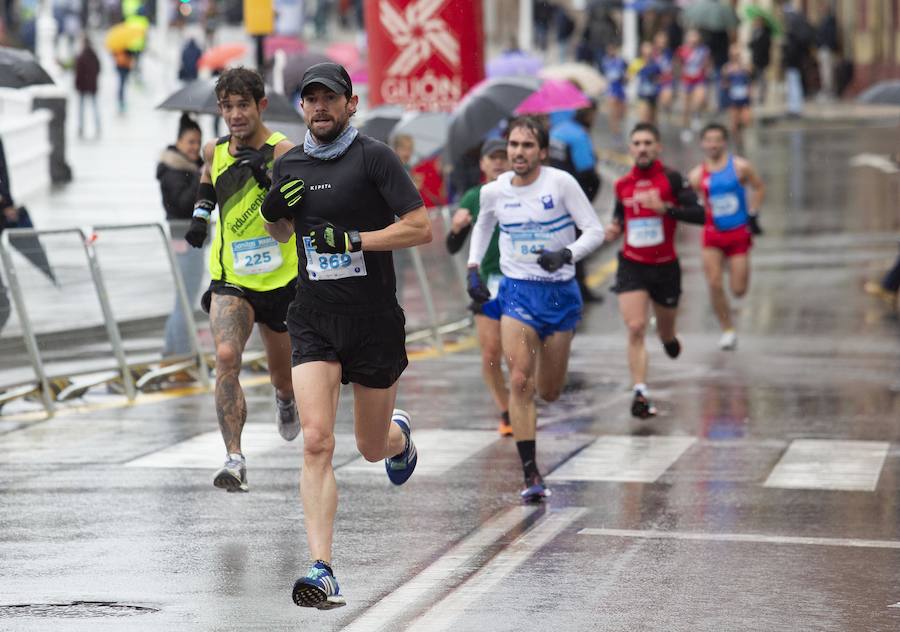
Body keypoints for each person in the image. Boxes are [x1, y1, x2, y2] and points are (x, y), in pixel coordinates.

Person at [259, 62, 431, 609]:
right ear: (302, 109)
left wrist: (355, 240)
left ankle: (398, 439)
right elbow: (282, 230)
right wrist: (272, 214)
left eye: (329, 98)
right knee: (316, 440)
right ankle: (322, 567)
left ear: (350, 104)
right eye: (310, 100)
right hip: (313, 315)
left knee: (370, 446)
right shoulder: (291, 163)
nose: (320, 108)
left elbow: (419, 226)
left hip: (373, 320)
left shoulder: (374, 157)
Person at [467, 116, 605, 502]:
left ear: (542, 152)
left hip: (560, 294)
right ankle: (530, 473)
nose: (518, 152)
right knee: (521, 381)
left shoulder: (561, 184)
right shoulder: (495, 191)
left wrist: (566, 253)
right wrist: (473, 268)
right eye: (513, 145)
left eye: (527, 146)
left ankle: (538, 419)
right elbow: (483, 225)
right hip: (518, 293)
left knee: (550, 390)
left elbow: (594, 230)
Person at [183, 67, 300, 491]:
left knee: (282, 375)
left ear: (260, 106)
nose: (235, 114)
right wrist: (199, 217)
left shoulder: (284, 152)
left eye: (243, 105)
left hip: (281, 280)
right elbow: (206, 185)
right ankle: (234, 459)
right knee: (227, 356)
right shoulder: (214, 151)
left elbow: (293, 217)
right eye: (227, 106)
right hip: (232, 278)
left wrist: (267, 180)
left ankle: (285, 400)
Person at [605, 123, 705, 418]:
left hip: (665, 268)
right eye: (637, 143)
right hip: (632, 265)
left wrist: (667, 209)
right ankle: (640, 392)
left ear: (658, 147)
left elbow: (700, 215)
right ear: (630, 149)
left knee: (664, 330)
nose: (642, 148)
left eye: (648, 142)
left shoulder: (673, 179)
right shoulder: (622, 185)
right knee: (635, 327)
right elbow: (620, 216)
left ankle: (669, 338)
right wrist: (614, 228)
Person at [446, 138, 512, 436]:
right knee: (490, 352)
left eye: (503, 157)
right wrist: (457, 228)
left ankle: (524, 395)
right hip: (487, 284)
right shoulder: (475, 196)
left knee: (521, 352)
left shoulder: (523, 192)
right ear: (483, 164)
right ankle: (507, 410)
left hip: (523, 281)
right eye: (492, 158)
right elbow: (452, 246)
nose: (498, 162)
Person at [688, 123, 765, 351]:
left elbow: (759, 187)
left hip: (738, 233)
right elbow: (688, 200)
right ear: (702, 143)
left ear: (724, 142)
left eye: (717, 140)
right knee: (713, 283)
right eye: (708, 140)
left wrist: (753, 213)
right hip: (712, 235)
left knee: (738, 290)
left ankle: (734, 278)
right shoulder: (696, 175)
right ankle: (727, 330)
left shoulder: (740, 167)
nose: (712, 144)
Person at [157, 113, 204, 370]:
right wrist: (200, 177)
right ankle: (180, 357)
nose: (194, 148)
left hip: (189, 240)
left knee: (184, 297)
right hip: (183, 241)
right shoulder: (174, 169)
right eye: (190, 142)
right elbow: (182, 204)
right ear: (178, 141)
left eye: (198, 142)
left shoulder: (185, 167)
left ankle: (172, 354)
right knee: (184, 300)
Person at [549, 102, 604, 303]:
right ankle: (580, 289)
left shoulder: (557, 130)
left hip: (552, 195)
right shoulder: (579, 135)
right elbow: (587, 170)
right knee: (578, 243)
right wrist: (586, 203)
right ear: (589, 115)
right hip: (572, 195)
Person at [675, 29, 711, 142]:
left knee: (699, 100)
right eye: (691, 38)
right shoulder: (681, 50)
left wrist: (707, 71)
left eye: (695, 38)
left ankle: (696, 114)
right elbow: (677, 64)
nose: (693, 41)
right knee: (685, 107)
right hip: (686, 81)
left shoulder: (703, 50)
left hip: (699, 80)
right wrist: (679, 77)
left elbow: (707, 64)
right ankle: (686, 129)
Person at [721, 44, 753, 147]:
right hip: (733, 97)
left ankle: (741, 133)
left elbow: (750, 80)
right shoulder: (726, 68)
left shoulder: (746, 67)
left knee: (746, 120)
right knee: (734, 124)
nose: (735, 57)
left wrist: (750, 90)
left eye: (737, 55)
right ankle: (738, 143)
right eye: (733, 55)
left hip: (744, 97)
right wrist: (727, 86)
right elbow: (723, 84)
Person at [74, 35, 100, 139]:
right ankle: (98, 127)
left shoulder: (81, 56)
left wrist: (77, 84)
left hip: (83, 87)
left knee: (81, 109)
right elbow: (99, 69)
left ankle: (81, 127)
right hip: (92, 86)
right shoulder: (94, 56)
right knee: (95, 107)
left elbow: (78, 73)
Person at [600, 42, 628, 138]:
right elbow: (604, 75)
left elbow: (627, 74)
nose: (611, 51)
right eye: (609, 49)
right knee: (613, 110)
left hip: (620, 88)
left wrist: (625, 78)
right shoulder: (605, 61)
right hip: (611, 89)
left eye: (613, 49)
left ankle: (617, 126)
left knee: (622, 111)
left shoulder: (621, 61)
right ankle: (615, 129)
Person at [634, 41, 662, 126]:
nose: (648, 51)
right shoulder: (637, 63)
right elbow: (629, 76)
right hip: (643, 94)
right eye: (645, 48)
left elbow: (659, 77)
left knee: (653, 121)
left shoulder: (655, 64)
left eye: (649, 48)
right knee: (644, 119)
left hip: (653, 94)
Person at [749, 16, 772, 105]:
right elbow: (752, 45)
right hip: (755, 58)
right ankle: (756, 95)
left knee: (761, 77)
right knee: (755, 78)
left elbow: (765, 46)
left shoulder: (766, 33)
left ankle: (762, 96)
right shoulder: (754, 32)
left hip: (762, 59)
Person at [653, 31, 676, 121]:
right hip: (654, 82)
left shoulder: (669, 53)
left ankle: (666, 113)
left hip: (666, 82)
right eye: (660, 42)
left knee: (666, 99)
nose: (662, 44)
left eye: (664, 42)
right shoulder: (652, 53)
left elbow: (672, 67)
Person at [112, 48, 133, 114]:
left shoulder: (120, 49)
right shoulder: (121, 49)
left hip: (123, 67)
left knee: (122, 84)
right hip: (122, 67)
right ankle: (121, 100)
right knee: (122, 85)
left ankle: (121, 100)